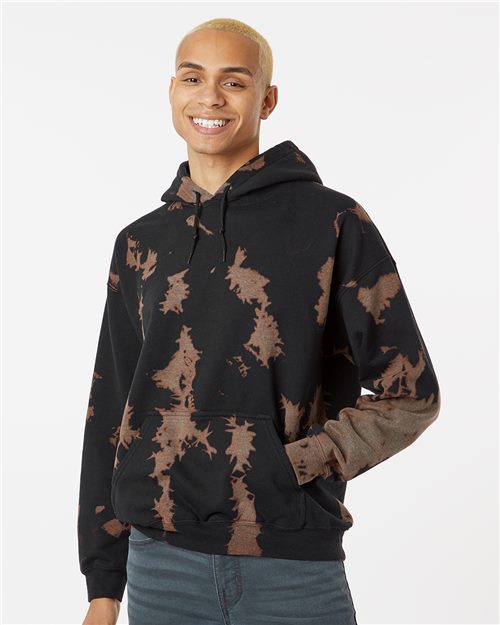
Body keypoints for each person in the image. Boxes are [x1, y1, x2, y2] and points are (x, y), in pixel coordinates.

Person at [78, 17, 441, 625]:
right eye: (192, 78)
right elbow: (110, 407)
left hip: (292, 568)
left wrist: (295, 463)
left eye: (234, 81)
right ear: (172, 91)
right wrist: (103, 583)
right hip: (159, 569)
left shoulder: (332, 223)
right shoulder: (140, 242)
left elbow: (412, 395)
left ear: (267, 100)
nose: (210, 97)